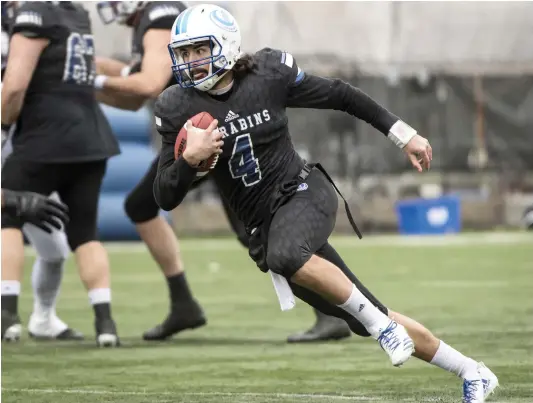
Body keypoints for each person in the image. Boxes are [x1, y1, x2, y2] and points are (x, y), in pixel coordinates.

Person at [153, 4, 499, 402]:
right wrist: (189, 161)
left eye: (199, 50)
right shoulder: (177, 107)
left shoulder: (267, 75)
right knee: (363, 314)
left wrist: (404, 134)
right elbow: (165, 194)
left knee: (288, 256)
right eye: (184, 53)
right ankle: (472, 371)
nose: (191, 62)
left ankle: (384, 330)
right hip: (263, 226)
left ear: (225, 44)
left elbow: (341, 95)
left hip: (303, 192)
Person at [94, 0, 350, 343]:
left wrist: (93, 79)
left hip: (210, 133)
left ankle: (333, 310)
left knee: (259, 228)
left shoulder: (158, 16)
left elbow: (149, 85)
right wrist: (99, 78)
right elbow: (133, 93)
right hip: (201, 133)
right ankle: (184, 303)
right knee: (243, 227)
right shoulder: (149, 24)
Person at [1, 1, 121, 347]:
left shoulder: (34, 15)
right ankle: (106, 321)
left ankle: (8, 315)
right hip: (89, 138)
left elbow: (13, 86)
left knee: (8, 217)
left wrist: (5, 126)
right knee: (84, 232)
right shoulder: (75, 14)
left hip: (42, 135)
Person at [0, 1, 83, 342]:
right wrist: (12, 199)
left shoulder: (26, 16)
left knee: (53, 248)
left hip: (21, 135)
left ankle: (43, 318)